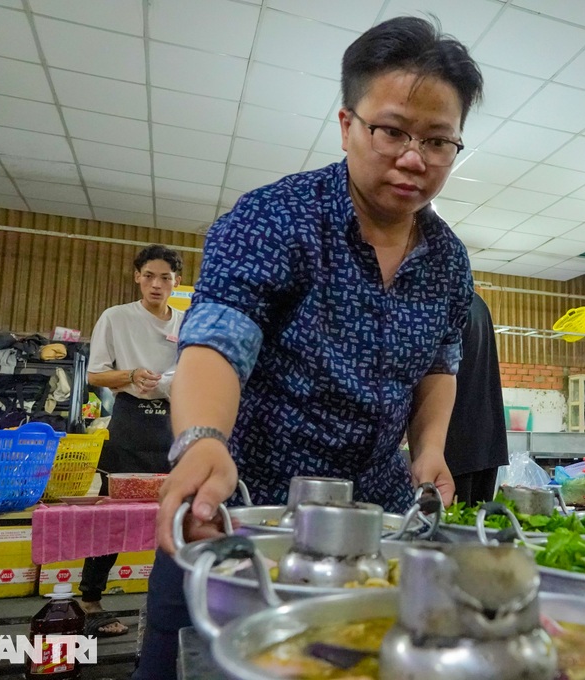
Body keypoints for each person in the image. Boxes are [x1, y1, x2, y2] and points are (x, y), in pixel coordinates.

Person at [135, 17, 483, 679]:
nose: (415, 157)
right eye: (393, 131)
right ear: (348, 123)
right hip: (243, 519)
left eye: (439, 141)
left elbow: (441, 362)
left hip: (373, 529)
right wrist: (203, 435)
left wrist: (430, 448)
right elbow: (219, 337)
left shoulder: (449, 261)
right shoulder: (277, 217)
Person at [82, 244, 183, 637]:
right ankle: (91, 601)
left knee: (175, 518)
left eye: (165, 277)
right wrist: (131, 375)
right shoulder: (116, 317)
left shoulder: (187, 323)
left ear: (176, 281)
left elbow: (195, 372)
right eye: (149, 276)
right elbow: (95, 375)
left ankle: (169, 602)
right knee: (113, 519)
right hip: (129, 425)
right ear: (137, 277)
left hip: (174, 427)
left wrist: (170, 382)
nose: (157, 284)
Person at [444, 293, 509, 505]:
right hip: (487, 442)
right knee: (477, 530)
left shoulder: (447, 301)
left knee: (450, 531)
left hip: (455, 445)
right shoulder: (476, 302)